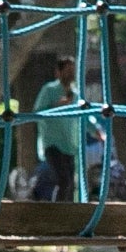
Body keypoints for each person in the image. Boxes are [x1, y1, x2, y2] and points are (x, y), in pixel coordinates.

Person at [27, 64, 82, 201]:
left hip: (69, 144)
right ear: (58, 72)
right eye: (67, 70)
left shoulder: (75, 94)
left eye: (72, 70)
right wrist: (56, 106)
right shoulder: (49, 90)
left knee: (70, 183)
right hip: (53, 143)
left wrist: (96, 130)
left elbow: (83, 115)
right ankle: (57, 210)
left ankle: (66, 212)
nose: (70, 74)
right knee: (64, 180)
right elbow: (37, 112)